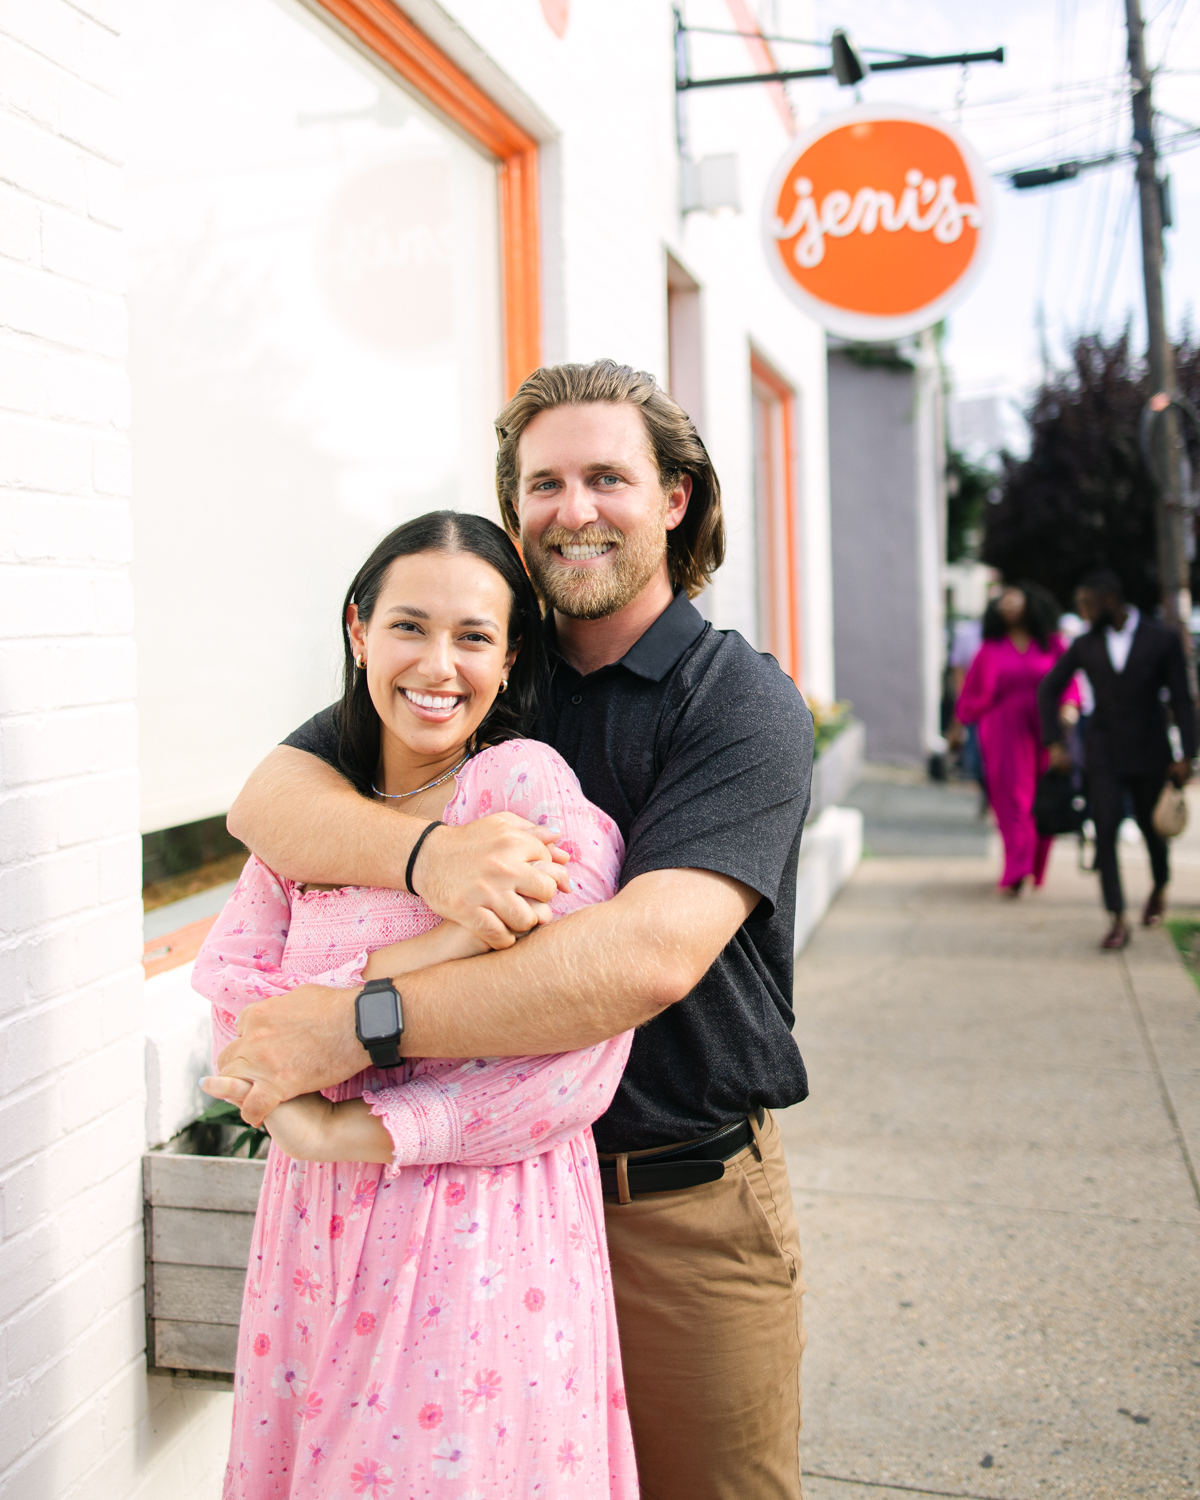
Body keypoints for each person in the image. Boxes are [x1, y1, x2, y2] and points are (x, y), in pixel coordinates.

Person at [220, 360, 814, 1499]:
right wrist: (428, 860)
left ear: (675, 497)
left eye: (606, 478)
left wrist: (359, 1021)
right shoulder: (481, 664)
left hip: (671, 1209)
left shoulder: (734, 700)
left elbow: (638, 960)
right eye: (544, 484)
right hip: (461, 1215)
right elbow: (268, 805)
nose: (573, 509)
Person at [194, 513, 638, 1498]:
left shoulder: (517, 788)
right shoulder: (317, 810)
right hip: (309, 1233)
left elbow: (575, 1052)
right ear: (359, 631)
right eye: (409, 626)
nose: (439, 666)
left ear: (510, 658)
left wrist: (349, 1129)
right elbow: (240, 1021)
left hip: (474, 1235)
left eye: (474, 636)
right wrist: (443, 942)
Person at [1038, 569, 1197, 950]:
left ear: (1109, 601)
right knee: (1105, 830)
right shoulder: (1085, 643)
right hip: (1104, 751)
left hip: (1150, 750)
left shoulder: (1161, 639)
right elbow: (1048, 689)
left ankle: (1160, 884)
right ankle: (1117, 918)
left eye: (1087, 605)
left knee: (1152, 830)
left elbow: (1181, 698)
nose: (1083, 613)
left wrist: (1188, 754)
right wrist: (1055, 743)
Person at [956, 582, 1077, 895]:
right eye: (1002, 603)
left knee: (1044, 797)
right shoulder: (990, 648)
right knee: (1012, 800)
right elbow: (971, 691)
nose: (1007, 606)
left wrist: (1069, 706)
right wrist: (958, 726)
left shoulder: (1052, 644)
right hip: (1003, 731)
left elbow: (1069, 682)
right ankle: (1016, 869)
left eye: (1014, 600)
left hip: (1046, 729)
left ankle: (1035, 864)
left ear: (1030, 605)